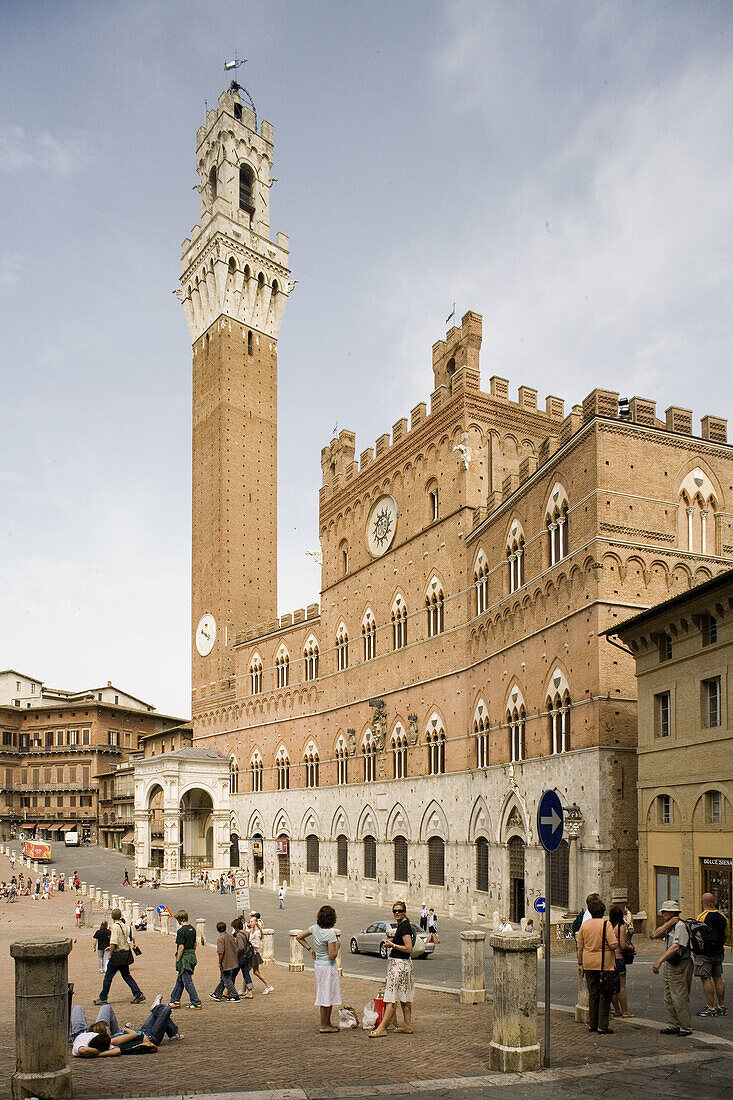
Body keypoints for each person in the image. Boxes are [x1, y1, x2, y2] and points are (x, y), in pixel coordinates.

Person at [370, 901, 414, 1037]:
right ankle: (407, 1025)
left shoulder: (405, 927)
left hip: (399, 965)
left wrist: (393, 945)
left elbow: (408, 948)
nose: (397, 913)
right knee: (404, 996)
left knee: (391, 996)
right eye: (395, 911)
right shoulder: (403, 925)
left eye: (400, 911)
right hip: (403, 964)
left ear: (404, 911)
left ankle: (382, 1028)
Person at [296, 904, 342, 1033]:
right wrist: (338, 945)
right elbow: (332, 955)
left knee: (325, 993)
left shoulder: (314, 928)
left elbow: (299, 936)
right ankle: (324, 1025)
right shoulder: (330, 934)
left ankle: (327, 1022)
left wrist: (310, 948)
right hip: (328, 966)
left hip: (319, 965)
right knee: (327, 994)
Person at [577, 895, 618, 1034]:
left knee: (593, 994)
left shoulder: (584, 925)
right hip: (604, 964)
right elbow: (613, 944)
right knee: (605, 995)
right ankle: (602, 1025)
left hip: (588, 963)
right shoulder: (606, 924)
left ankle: (592, 1024)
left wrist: (580, 964)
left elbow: (580, 947)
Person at [652, 899, 693, 1036]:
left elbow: (675, 947)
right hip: (670, 965)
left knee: (679, 996)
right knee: (668, 996)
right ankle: (673, 1024)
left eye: (664, 912)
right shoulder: (670, 926)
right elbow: (655, 934)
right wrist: (668, 923)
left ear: (671, 913)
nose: (662, 915)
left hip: (680, 964)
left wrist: (659, 961)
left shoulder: (680, 926)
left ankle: (685, 1026)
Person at [95, 908, 145, 1006]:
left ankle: (103, 997)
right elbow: (124, 939)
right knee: (127, 976)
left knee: (108, 977)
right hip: (125, 953)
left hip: (117, 955)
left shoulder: (115, 927)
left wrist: (110, 953)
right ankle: (138, 994)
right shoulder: (125, 925)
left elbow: (114, 942)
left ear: (112, 917)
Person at [694, 891, 728, 1017]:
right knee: (718, 977)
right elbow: (726, 935)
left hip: (705, 953)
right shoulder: (723, 918)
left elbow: (697, 935)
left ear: (704, 902)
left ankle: (711, 1006)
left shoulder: (701, 917)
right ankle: (721, 1005)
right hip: (719, 952)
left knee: (706, 978)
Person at [169, 910, 201, 1009]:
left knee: (187, 981)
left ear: (180, 920)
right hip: (191, 954)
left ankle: (196, 1002)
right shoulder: (192, 929)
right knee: (180, 979)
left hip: (185, 957)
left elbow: (181, 947)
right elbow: (195, 944)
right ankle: (175, 999)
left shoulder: (181, 931)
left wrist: (178, 959)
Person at [609, 904, 634, 1019]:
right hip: (619, 958)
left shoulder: (609, 927)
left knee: (613, 987)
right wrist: (631, 948)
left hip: (611, 959)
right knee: (621, 986)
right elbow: (623, 945)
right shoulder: (621, 927)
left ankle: (617, 1010)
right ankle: (625, 1011)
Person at [210, 921, 241, 1001]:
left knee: (226, 979)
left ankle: (234, 995)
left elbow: (220, 952)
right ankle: (217, 993)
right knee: (224, 978)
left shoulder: (221, 939)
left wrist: (219, 962)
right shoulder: (230, 936)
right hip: (232, 960)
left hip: (225, 961)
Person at [246, 911, 274, 994]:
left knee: (252, 972)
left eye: (251, 922)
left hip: (254, 954)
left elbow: (257, 945)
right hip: (252, 953)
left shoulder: (257, 933)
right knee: (249, 971)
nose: (250, 923)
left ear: (255, 923)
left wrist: (250, 943)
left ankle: (268, 986)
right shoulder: (251, 931)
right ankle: (245, 990)